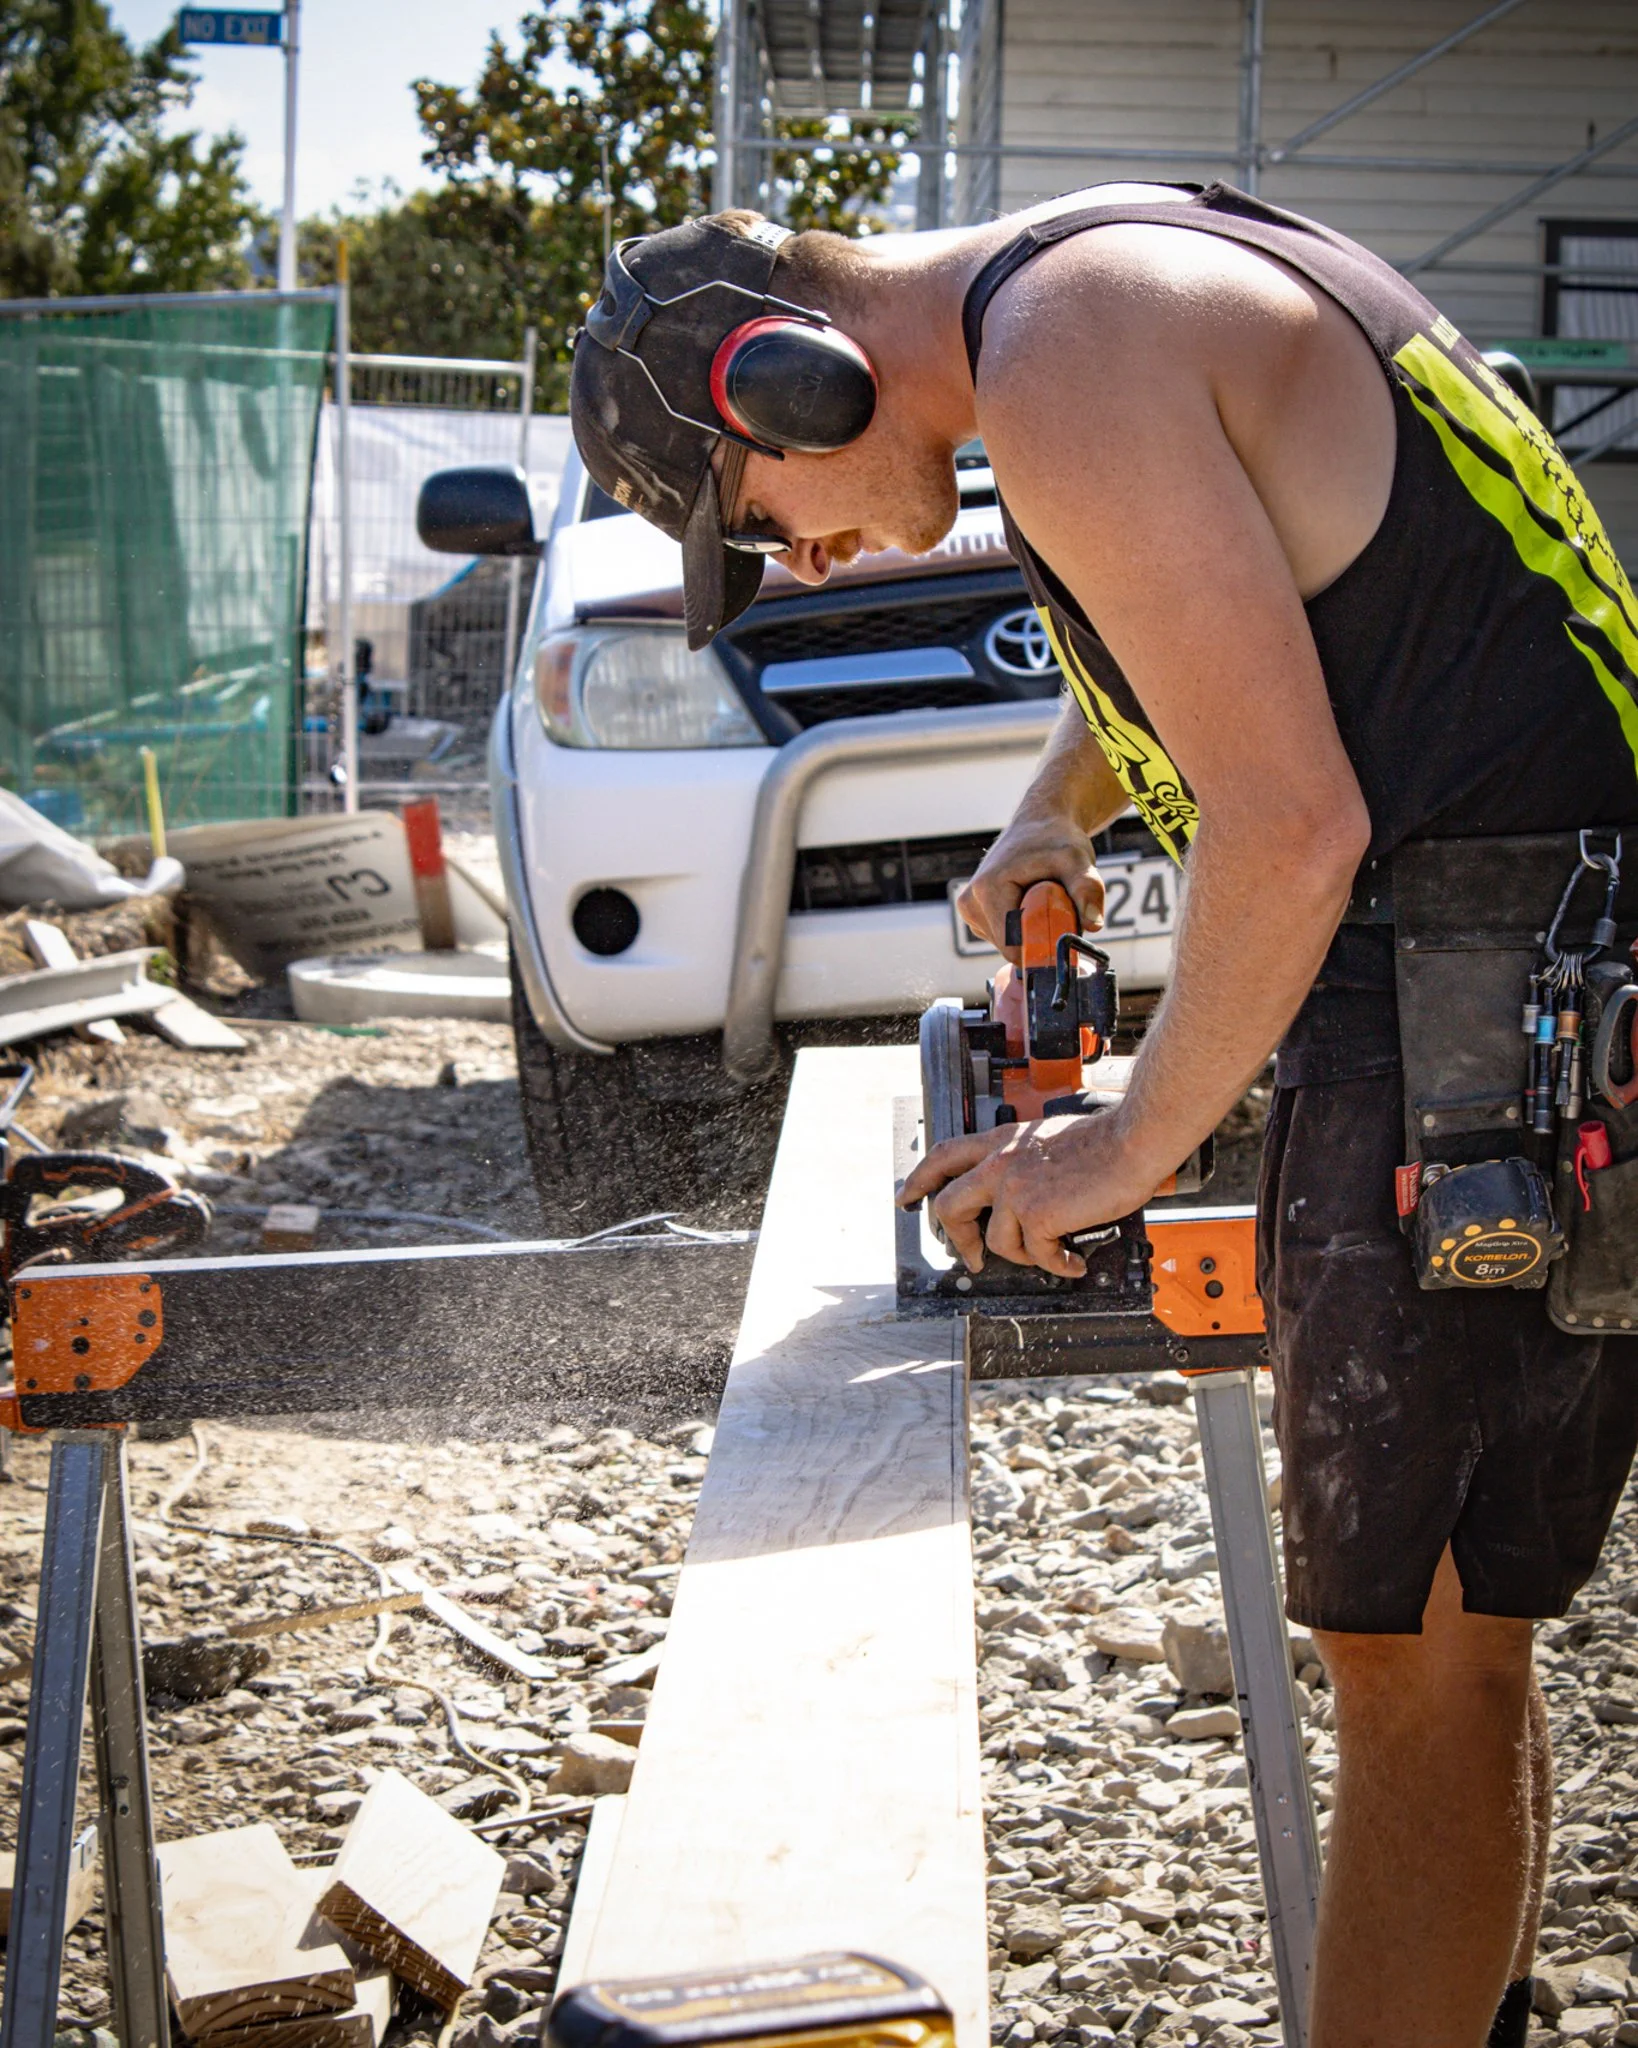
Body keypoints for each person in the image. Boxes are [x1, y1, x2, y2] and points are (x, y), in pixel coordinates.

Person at [567, 181, 1638, 2048]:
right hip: (1529, 963)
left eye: (756, 520)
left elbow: (1292, 819)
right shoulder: (1101, 280)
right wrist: (1070, 798)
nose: (799, 564)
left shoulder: (1070, 357)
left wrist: (1121, 1141)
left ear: (791, 387)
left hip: (1486, 990)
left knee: (1408, 1671)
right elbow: (1254, 597)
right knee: (1456, 1635)